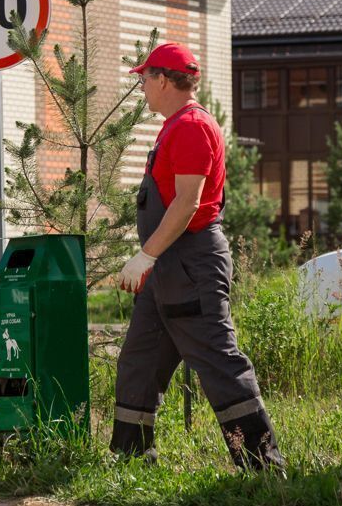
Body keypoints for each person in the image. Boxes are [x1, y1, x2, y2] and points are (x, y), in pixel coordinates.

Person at [111, 42, 283, 471]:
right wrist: (152, 260)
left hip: (189, 265)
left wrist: (145, 256)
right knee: (140, 360)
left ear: (164, 80)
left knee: (218, 361)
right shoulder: (174, 124)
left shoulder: (190, 126)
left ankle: (263, 466)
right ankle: (132, 461)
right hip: (167, 267)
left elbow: (188, 202)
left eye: (145, 78)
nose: (142, 88)